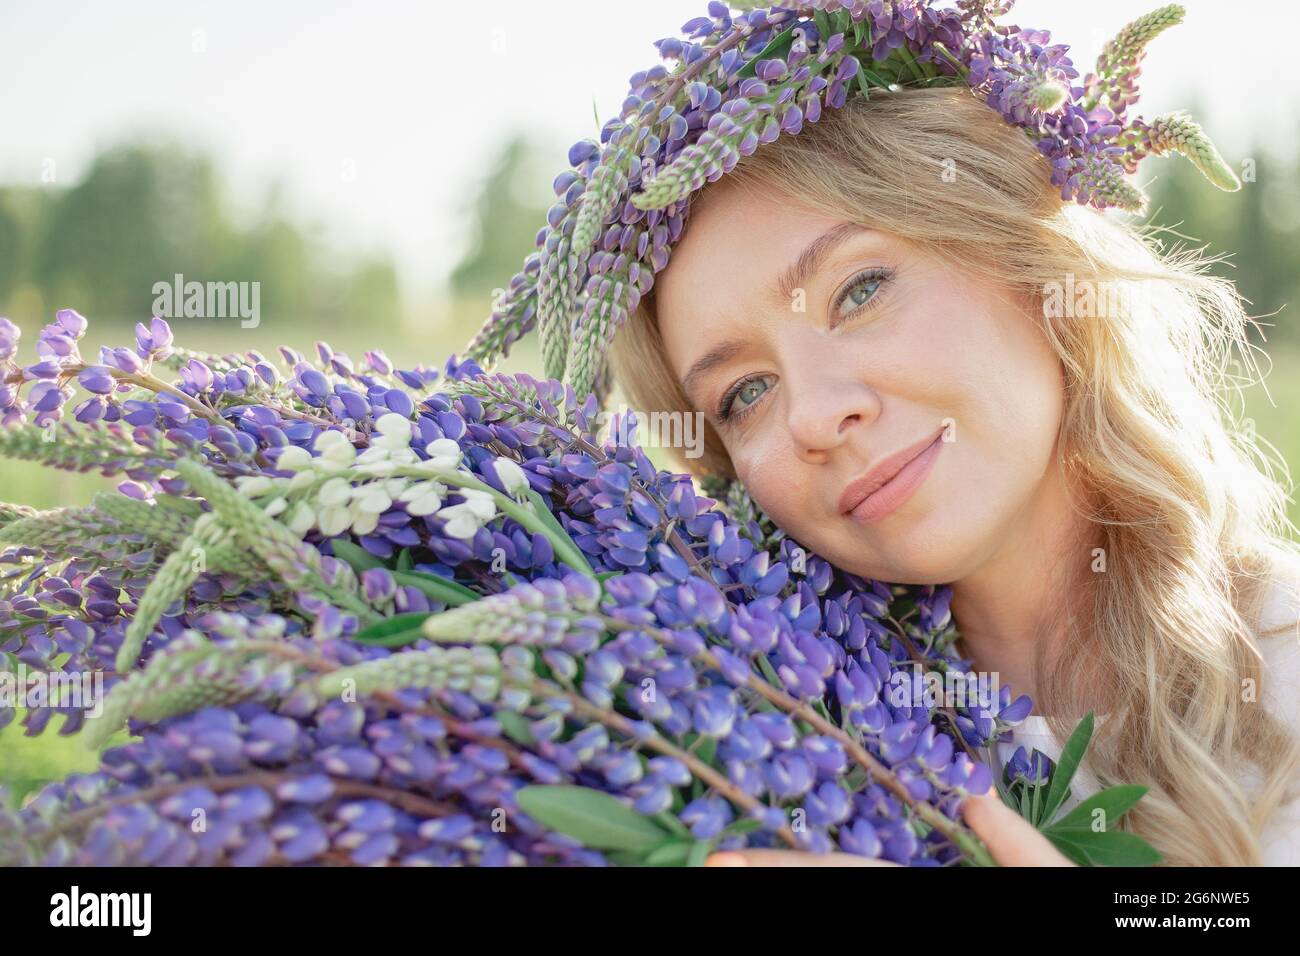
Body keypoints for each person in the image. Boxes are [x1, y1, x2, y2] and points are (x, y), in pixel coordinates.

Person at [605, 86, 1300, 866]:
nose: (813, 415)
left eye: (859, 290)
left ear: (1023, 255)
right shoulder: (765, 744)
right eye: (744, 394)